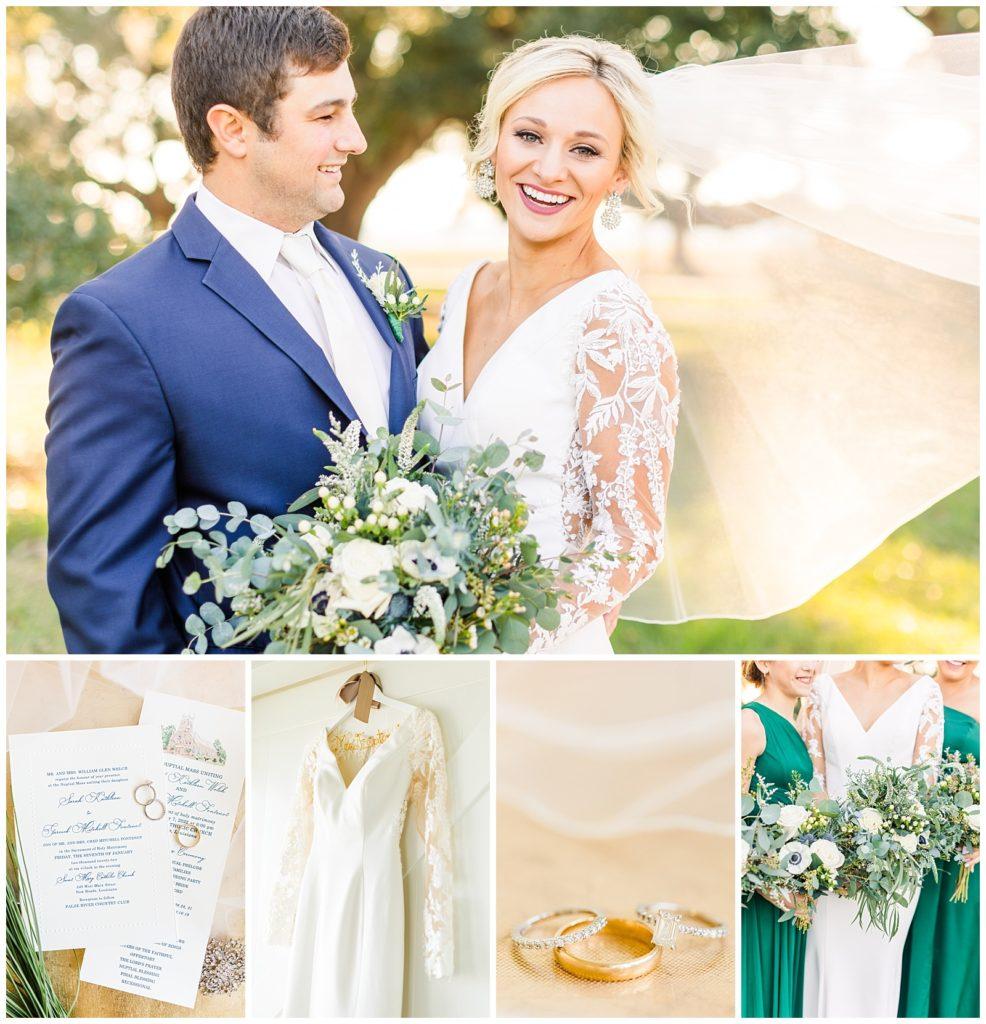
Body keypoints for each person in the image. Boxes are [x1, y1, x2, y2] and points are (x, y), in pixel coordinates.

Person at [45, 7, 427, 652]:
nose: (355, 139)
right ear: (233, 129)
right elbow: (103, 589)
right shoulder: (121, 321)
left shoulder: (382, 275)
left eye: (350, 109)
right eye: (325, 116)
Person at [418, 36, 679, 654]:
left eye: (584, 150)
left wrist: (490, 636)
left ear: (619, 173)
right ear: (495, 140)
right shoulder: (467, 288)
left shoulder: (615, 323)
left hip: (537, 653)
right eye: (530, 136)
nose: (549, 169)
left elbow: (630, 538)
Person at [800, 661, 944, 1017]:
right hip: (831, 862)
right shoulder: (823, 689)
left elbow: (923, 783)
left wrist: (886, 845)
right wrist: (833, 850)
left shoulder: (925, 691)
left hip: (893, 868)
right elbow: (814, 781)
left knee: (876, 974)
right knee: (829, 965)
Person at [899, 659, 980, 1018]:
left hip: (964, 858)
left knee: (953, 958)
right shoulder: (912, 690)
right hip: (908, 850)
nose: (957, 655)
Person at [740, 660, 819, 1018]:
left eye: (815, 656)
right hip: (760, 894)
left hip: (794, 892)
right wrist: (773, 888)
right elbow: (734, 817)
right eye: (797, 656)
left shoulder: (799, 725)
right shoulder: (750, 723)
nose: (811, 665)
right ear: (764, 661)